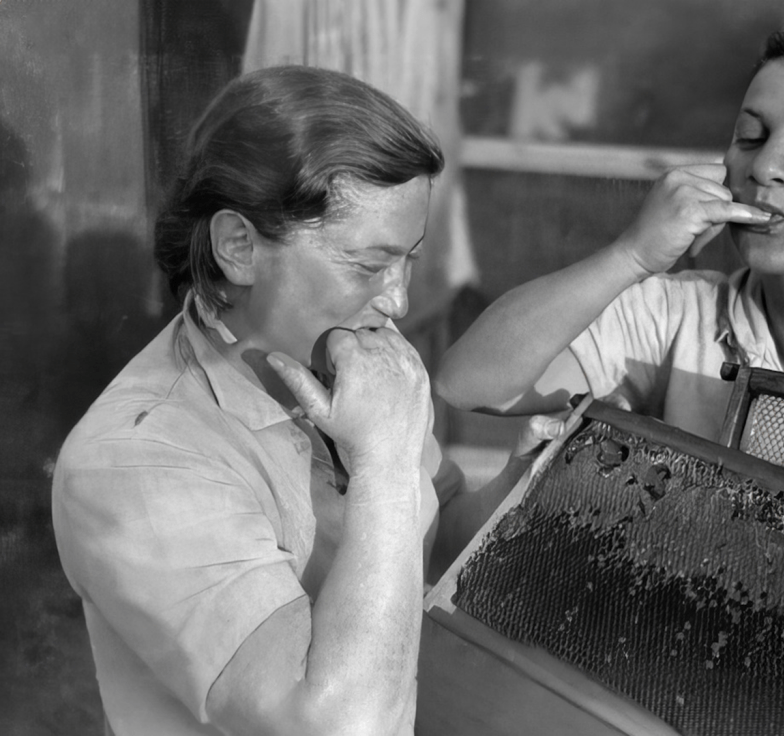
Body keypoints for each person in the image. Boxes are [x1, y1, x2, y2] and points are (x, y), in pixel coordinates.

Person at [51, 66, 560, 736]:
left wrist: (517, 490)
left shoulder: (347, 366)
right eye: (366, 265)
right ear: (239, 247)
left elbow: (419, 552)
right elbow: (342, 726)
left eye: (407, 259)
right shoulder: (135, 462)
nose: (397, 301)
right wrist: (380, 462)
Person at [436, 24, 784, 442]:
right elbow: (468, 383)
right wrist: (631, 255)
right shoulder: (678, 318)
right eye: (751, 136)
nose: (765, 167)